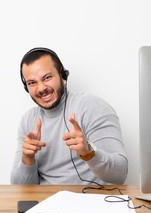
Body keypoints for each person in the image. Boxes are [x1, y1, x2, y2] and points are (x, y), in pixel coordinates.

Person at [10, 47, 128, 185]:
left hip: (90, 202)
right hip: (47, 203)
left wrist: (88, 152)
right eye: (32, 83)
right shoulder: (28, 120)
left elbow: (120, 175)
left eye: (47, 78)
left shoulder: (91, 106)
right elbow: (20, 189)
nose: (41, 88)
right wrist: (27, 158)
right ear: (26, 87)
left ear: (62, 75)